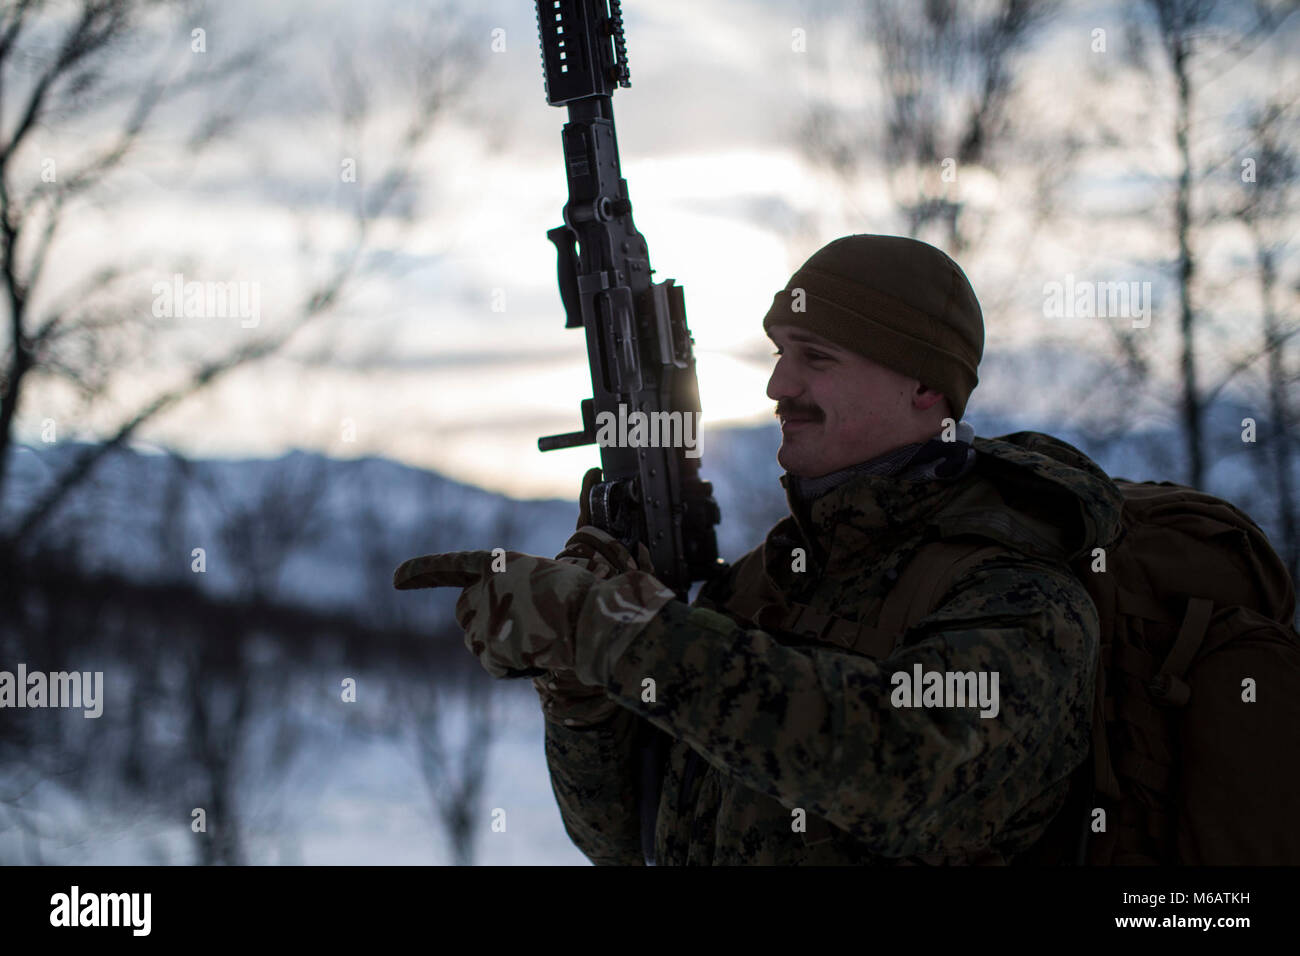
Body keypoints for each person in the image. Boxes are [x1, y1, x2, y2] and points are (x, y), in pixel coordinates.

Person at [394, 234, 1125, 865]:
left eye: (816, 357)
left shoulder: (1023, 596)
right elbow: (626, 844)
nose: (779, 383)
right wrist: (580, 685)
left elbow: (899, 765)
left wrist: (611, 630)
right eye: (780, 354)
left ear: (926, 386)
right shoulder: (766, 583)